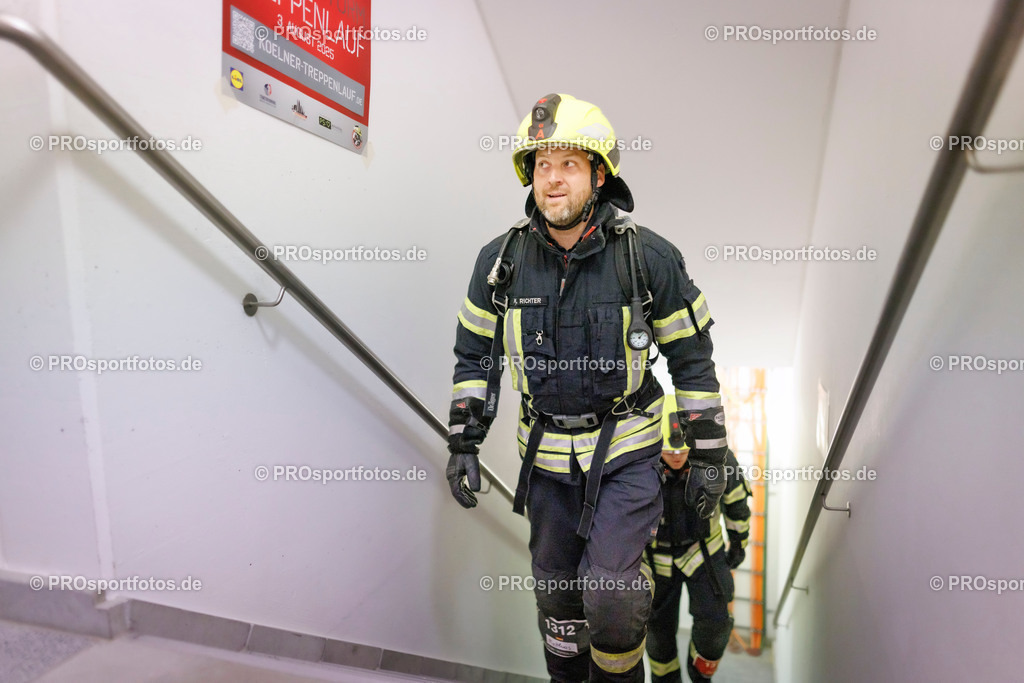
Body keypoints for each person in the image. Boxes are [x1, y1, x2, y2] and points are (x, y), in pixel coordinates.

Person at [445, 93, 729, 682]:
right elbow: (475, 353)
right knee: (557, 601)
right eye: (542, 165)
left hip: (626, 453)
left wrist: (708, 456)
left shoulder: (646, 258)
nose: (553, 179)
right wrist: (463, 442)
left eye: (569, 164)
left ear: (599, 175)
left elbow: (692, 362)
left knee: (614, 596)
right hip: (544, 461)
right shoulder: (499, 264)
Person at [646, 396, 751, 683]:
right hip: (656, 557)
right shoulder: (639, 462)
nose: (677, 457)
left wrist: (739, 540)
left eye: (683, 451)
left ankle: (699, 676)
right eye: (669, 451)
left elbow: (737, 501)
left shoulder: (717, 459)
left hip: (704, 551)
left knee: (716, 625)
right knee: (655, 630)